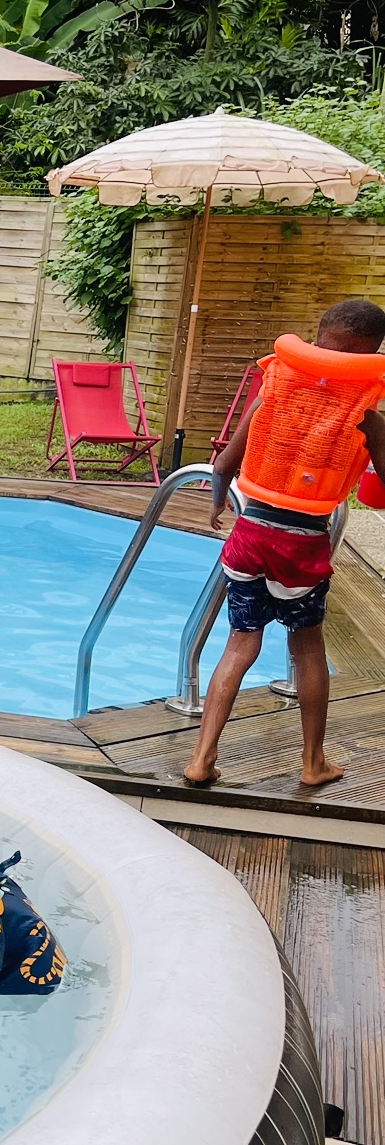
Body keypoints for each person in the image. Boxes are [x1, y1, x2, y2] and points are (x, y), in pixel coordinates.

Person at [184, 300, 385, 790]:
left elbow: (225, 465)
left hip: (249, 536)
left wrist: (217, 502)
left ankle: (201, 759)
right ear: (372, 356)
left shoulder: (273, 393)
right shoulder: (367, 416)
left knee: (240, 643)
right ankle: (313, 763)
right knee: (308, 648)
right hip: (302, 544)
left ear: (316, 341)